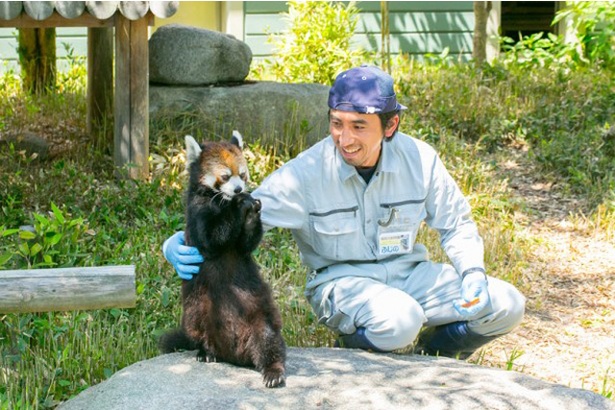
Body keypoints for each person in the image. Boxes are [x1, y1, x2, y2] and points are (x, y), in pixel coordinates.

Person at [163, 65, 525, 357]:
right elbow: (241, 214)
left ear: (391, 125)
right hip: (342, 282)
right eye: (337, 123)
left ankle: (434, 354)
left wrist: (473, 271)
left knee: (507, 303)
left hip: (409, 274)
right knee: (400, 320)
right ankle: (360, 348)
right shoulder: (305, 174)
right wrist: (179, 241)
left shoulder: (421, 160)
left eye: (358, 126)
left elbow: (456, 224)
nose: (345, 138)